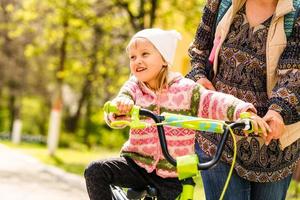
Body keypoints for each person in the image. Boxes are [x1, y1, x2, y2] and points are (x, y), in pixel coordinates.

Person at [84, 28, 270, 200]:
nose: (137, 61)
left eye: (145, 54)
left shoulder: (186, 90)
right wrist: (119, 109)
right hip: (137, 164)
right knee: (95, 171)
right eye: (132, 57)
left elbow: (214, 101)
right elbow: (118, 106)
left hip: (172, 173)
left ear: (164, 59)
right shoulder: (134, 87)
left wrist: (244, 111)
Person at [186, 0, 300, 199]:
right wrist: (199, 77)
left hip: (273, 148)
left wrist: (278, 110)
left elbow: (295, 73)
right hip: (219, 136)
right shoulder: (220, 3)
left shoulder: (295, 13)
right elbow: (199, 50)